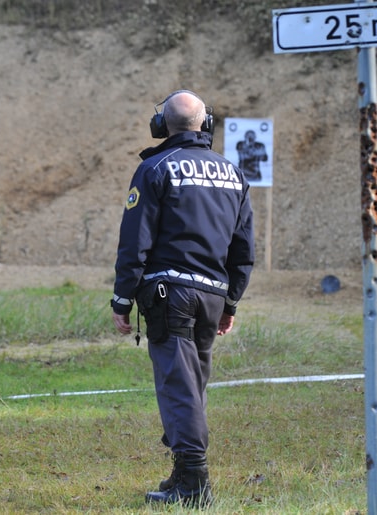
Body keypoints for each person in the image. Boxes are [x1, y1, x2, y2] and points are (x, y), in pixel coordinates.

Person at [111, 90, 255, 507]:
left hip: (168, 293)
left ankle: (194, 484)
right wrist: (231, 302)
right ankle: (182, 473)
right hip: (212, 295)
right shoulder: (233, 174)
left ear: (162, 126)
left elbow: (134, 241)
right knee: (193, 385)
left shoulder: (155, 168)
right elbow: (243, 250)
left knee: (179, 386)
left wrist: (122, 299)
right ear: (204, 123)